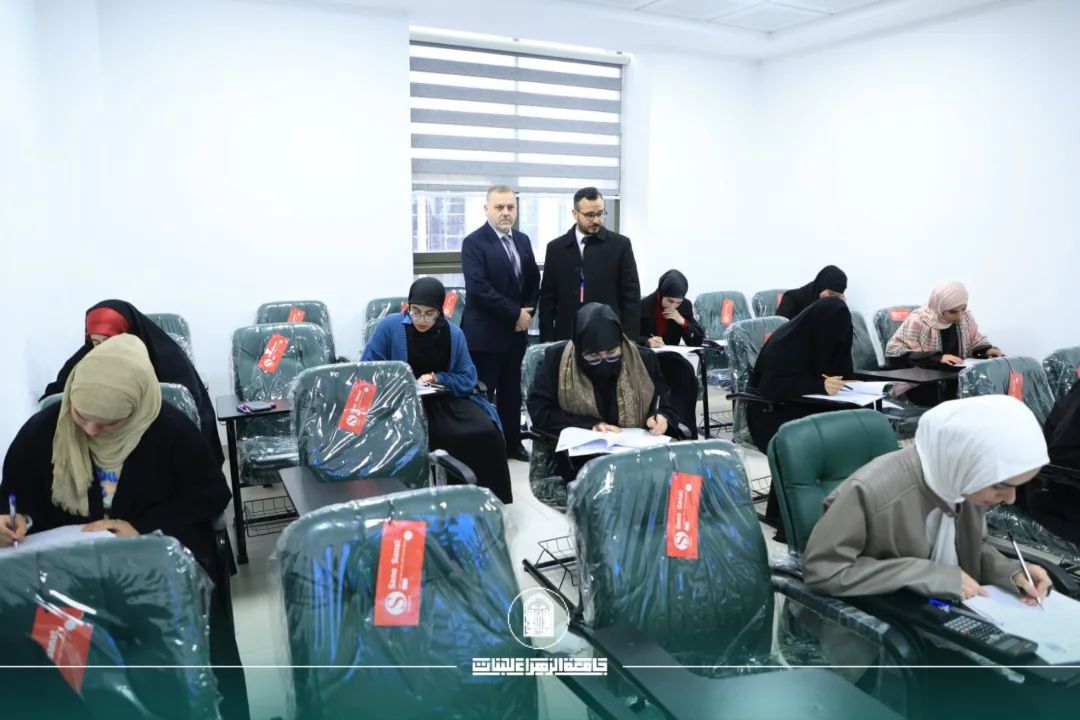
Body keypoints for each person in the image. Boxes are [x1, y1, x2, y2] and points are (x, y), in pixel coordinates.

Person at [1, 334, 248, 720]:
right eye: (81, 416)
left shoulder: (169, 428)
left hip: (148, 574)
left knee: (174, 677)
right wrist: (13, 519)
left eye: (109, 422)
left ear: (136, 407)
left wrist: (143, 528)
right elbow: (13, 496)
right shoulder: (43, 431)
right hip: (65, 582)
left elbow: (210, 494)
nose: (91, 430)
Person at [804, 395, 1051, 601]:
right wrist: (924, 573)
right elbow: (823, 571)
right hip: (885, 621)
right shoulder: (870, 491)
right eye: (1000, 485)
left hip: (944, 610)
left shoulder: (958, 480)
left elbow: (969, 547)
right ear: (962, 462)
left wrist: (1011, 572)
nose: (1010, 499)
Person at [362, 277, 513, 504]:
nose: (421, 319)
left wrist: (438, 377)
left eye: (429, 313)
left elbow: (468, 378)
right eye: (415, 311)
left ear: (440, 311)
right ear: (408, 306)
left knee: (486, 432)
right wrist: (399, 380)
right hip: (401, 401)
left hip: (443, 398)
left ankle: (483, 502)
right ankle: (429, 500)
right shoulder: (390, 327)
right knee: (424, 436)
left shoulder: (453, 334)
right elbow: (367, 369)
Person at [42, 299, 224, 467]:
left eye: (110, 341)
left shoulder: (167, 359)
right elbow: (54, 397)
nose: (103, 350)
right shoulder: (86, 359)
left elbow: (194, 413)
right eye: (96, 343)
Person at [528, 303, 681, 481]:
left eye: (612, 354)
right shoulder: (557, 360)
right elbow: (540, 411)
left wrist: (662, 416)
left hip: (637, 457)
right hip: (579, 461)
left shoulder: (644, 360)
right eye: (593, 357)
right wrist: (589, 425)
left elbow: (665, 402)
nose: (604, 362)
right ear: (579, 349)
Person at [746, 296, 854, 530]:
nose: (836, 336)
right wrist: (819, 385)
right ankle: (795, 516)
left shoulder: (834, 336)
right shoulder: (785, 342)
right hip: (771, 411)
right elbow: (771, 387)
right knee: (818, 438)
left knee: (851, 428)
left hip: (811, 406)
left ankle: (845, 507)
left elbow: (843, 372)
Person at [460, 185, 541, 463]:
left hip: (516, 334)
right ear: (486, 209)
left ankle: (512, 444)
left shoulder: (523, 240)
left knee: (511, 393)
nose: (506, 212)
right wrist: (515, 314)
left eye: (510, 207)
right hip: (485, 336)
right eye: (499, 207)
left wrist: (527, 312)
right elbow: (479, 289)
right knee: (484, 395)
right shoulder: (474, 243)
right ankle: (486, 449)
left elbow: (533, 281)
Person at [538, 187, 640, 342]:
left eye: (600, 213)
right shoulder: (556, 249)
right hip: (567, 336)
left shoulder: (620, 245)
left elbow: (631, 296)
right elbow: (548, 299)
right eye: (590, 215)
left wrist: (628, 340)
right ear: (575, 214)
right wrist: (547, 340)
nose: (596, 220)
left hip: (607, 337)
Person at [638, 269, 704, 439]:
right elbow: (629, 336)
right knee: (659, 380)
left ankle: (684, 427)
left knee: (686, 374)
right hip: (646, 358)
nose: (673, 306)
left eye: (677, 302)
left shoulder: (685, 306)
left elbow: (696, 340)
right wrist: (647, 341)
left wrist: (682, 321)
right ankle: (659, 424)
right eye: (669, 301)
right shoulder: (644, 306)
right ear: (661, 294)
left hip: (669, 357)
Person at [885, 281, 1004, 368]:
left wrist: (987, 350)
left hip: (957, 377)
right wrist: (937, 358)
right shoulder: (920, 320)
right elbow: (894, 352)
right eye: (953, 312)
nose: (960, 317)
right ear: (939, 307)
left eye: (963, 309)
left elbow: (976, 340)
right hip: (927, 381)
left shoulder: (965, 317)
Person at [776, 265, 848, 319]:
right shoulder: (790, 299)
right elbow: (779, 329)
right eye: (831, 294)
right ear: (821, 287)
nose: (834, 300)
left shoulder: (833, 308)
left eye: (838, 296)